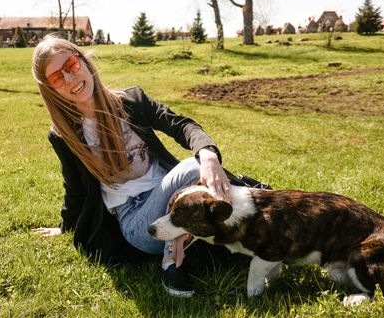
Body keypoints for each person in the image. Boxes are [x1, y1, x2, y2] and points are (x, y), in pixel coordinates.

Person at [30, 34, 245, 298]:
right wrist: (66, 226)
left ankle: (203, 241)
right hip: (137, 222)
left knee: (206, 175)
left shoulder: (131, 101)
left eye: (71, 65)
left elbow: (180, 124)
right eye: (56, 78)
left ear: (84, 61)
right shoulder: (64, 136)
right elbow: (74, 187)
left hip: (178, 200)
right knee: (191, 169)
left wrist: (209, 154)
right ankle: (171, 263)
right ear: (50, 89)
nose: (70, 79)